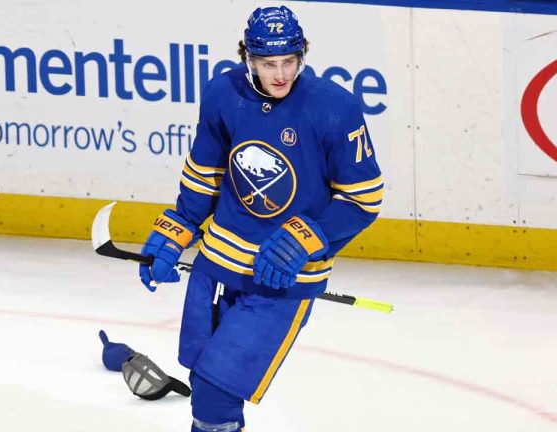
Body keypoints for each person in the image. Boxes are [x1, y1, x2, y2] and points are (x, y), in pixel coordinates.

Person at [138, 5, 383, 431]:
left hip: (279, 282)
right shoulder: (221, 95)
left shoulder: (334, 109)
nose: (281, 74)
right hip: (216, 265)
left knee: (216, 396)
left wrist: (307, 237)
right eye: (269, 64)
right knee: (204, 387)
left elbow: (364, 198)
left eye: (290, 61)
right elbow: (205, 174)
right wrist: (177, 228)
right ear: (247, 58)